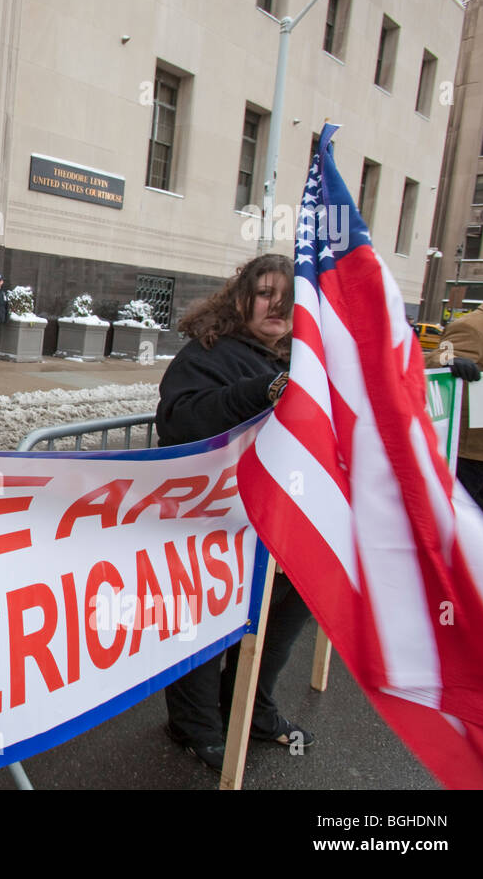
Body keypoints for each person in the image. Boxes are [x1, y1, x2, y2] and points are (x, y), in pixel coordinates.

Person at [155, 253, 312, 772]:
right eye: (267, 293)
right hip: (216, 526)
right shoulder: (208, 354)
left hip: (286, 526)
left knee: (279, 623)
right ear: (240, 298)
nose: (278, 306)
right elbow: (180, 422)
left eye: (288, 298)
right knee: (207, 626)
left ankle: (252, 709)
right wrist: (259, 394)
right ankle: (195, 725)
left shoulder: (300, 357)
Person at [427, 299, 483, 511]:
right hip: (472, 454)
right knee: (463, 521)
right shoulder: (475, 325)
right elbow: (438, 356)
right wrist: (451, 361)